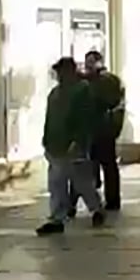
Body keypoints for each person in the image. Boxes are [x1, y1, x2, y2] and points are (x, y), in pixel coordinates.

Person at [36, 57, 105, 236]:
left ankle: (96, 208)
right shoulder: (55, 93)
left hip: (74, 145)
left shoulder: (82, 90)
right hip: (55, 145)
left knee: (81, 182)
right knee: (56, 183)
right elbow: (49, 119)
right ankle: (57, 218)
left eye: (61, 72)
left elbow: (85, 119)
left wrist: (79, 141)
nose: (58, 76)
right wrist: (46, 139)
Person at [72, 50, 125, 213]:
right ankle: (74, 202)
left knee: (106, 165)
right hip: (90, 130)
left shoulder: (107, 81)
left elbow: (108, 101)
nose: (88, 65)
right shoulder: (87, 81)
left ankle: (111, 200)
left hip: (104, 130)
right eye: (86, 61)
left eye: (91, 62)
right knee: (84, 166)